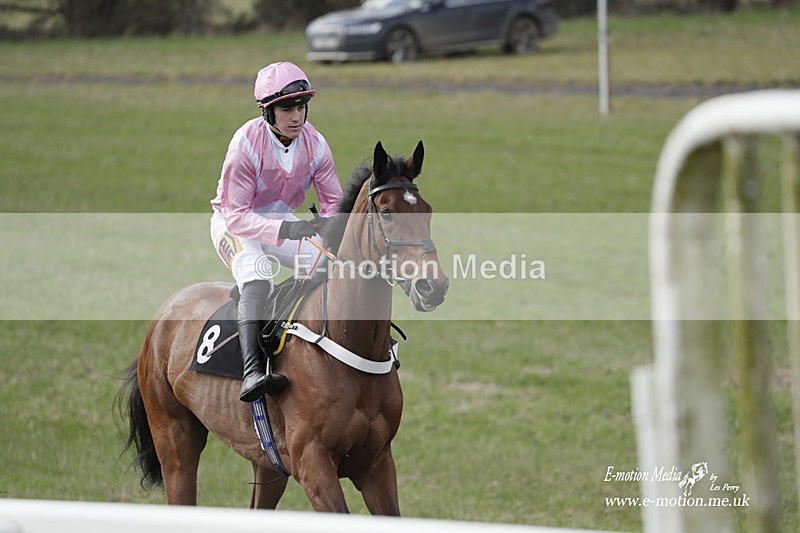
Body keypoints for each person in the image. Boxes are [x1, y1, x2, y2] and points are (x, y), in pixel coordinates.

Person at [210, 61, 343, 402]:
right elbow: (237, 216)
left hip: (283, 220)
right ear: (267, 112)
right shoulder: (245, 145)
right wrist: (285, 228)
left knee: (328, 264)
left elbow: (333, 202)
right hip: (234, 223)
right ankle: (252, 372)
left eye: (301, 107)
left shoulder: (317, 144)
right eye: (287, 109)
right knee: (258, 276)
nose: (296, 117)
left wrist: (331, 228)